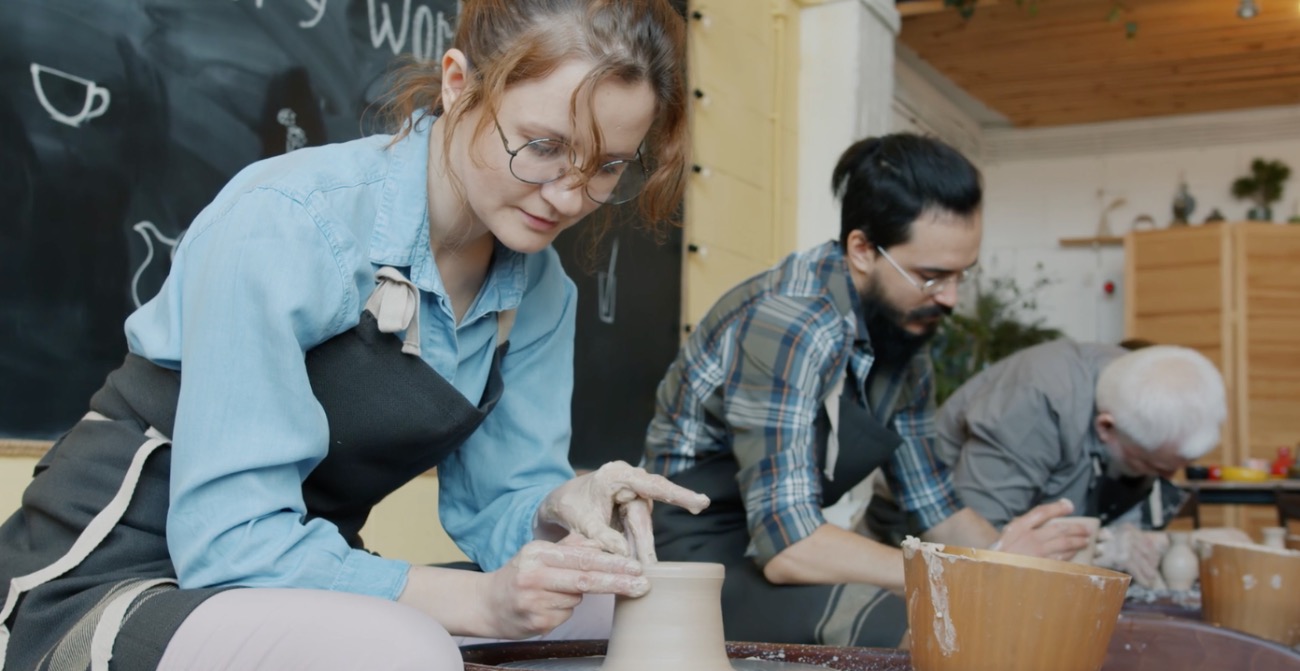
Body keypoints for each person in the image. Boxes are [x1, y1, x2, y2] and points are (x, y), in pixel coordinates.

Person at [0, 2, 709, 670]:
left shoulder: (542, 294)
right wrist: (481, 602)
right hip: (122, 577)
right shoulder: (288, 219)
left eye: (607, 166)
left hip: (286, 586)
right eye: (544, 147)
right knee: (399, 649)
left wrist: (561, 512)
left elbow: (499, 508)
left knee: (611, 614)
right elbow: (230, 542)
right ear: (459, 84)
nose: (567, 195)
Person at [642, 133, 1088, 649]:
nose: (950, 297)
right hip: (694, 560)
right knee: (930, 629)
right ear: (862, 249)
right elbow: (789, 546)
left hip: (775, 550)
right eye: (931, 275)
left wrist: (1012, 566)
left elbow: (934, 506)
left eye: (963, 274)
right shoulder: (791, 325)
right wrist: (973, 575)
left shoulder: (904, 337)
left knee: (999, 614)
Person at [933, 338, 1227, 588]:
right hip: (926, 544)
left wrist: (1126, 533)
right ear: (1106, 428)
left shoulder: (1147, 385)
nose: (1167, 476)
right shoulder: (1032, 405)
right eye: (1154, 466)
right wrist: (1097, 545)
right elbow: (978, 550)